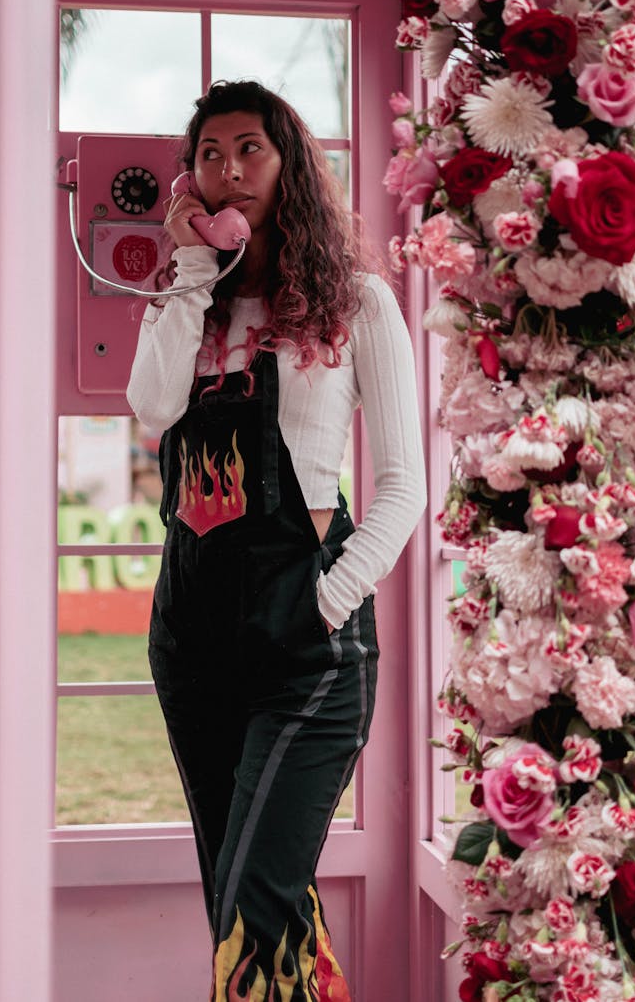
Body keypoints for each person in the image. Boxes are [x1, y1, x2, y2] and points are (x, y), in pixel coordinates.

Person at [127, 79, 426, 1001]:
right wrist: (188, 272)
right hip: (194, 638)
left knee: (257, 899)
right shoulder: (183, 302)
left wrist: (329, 598)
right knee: (248, 904)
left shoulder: (359, 301)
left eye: (249, 147)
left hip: (309, 649)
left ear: (289, 162)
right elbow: (149, 409)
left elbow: (406, 486)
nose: (228, 169)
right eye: (209, 154)